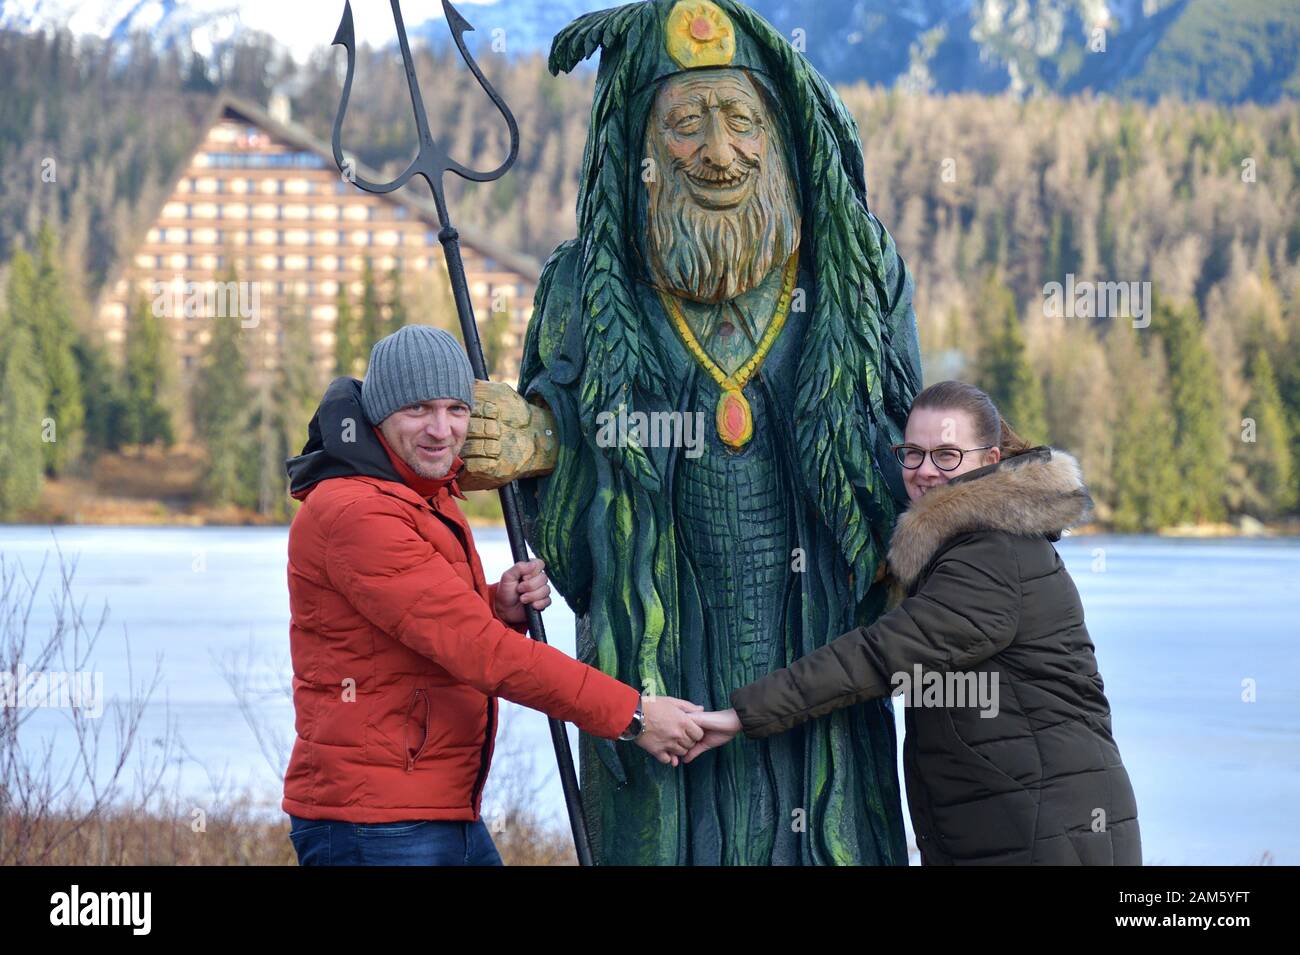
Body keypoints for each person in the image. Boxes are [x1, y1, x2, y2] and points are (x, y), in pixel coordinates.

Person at [280, 324, 703, 866]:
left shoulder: (423, 494)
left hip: (432, 809)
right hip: (375, 825)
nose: (442, 429)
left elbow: (421, 625)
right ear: (380, 414)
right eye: (419, 409)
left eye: (457, 409)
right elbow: (484, 654)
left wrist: (493, 605)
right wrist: (634, 716)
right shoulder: (357, 511)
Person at [687, 380, 1143, 865]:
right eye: (913, 454)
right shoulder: (973, 544)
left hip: (1049, 833)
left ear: (989, 461)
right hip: (1016, 824)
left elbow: (878, 657)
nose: (925, 471)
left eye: (947, 455)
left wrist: (741, 715)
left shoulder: (994, 555)